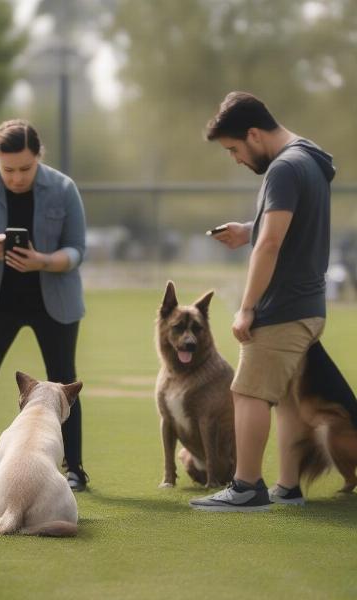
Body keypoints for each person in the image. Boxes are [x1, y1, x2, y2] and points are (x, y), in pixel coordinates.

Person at [190, 91, 335, 512]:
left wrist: (249, 306)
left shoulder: (283, 170)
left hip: (283, 307)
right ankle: (288, 488)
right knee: (288, 397)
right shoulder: (308, 158)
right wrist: (247, 228)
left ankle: (246, 487)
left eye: (235, 149)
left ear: (254, 134)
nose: (235, 158)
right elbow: (285, 226)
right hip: (310, 305)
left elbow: (271, 243)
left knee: (248, 393)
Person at [0, 119, 88, 500]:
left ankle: (73, 468)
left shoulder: (63, 188)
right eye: (8, 169)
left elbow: (77, 251)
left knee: (64, 383)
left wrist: (42, 260)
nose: (17, 177)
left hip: (53, 303)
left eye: (26, 168)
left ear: (39, 157)